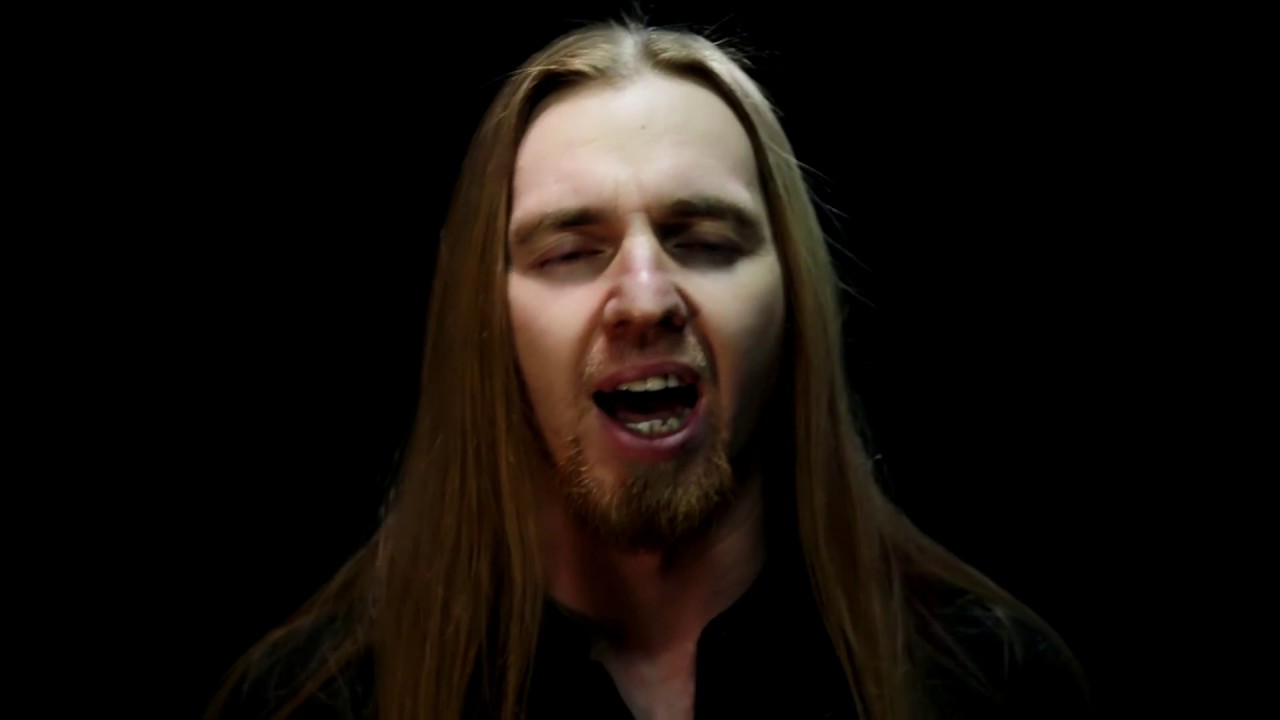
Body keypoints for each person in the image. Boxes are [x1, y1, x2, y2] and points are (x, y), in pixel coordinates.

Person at [207, 19, 1091, 720]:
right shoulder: (313, 703)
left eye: (703, 241)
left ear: (792, 301)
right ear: (487, 320)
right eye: (569, 252)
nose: (644, 297)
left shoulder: (991, 683)